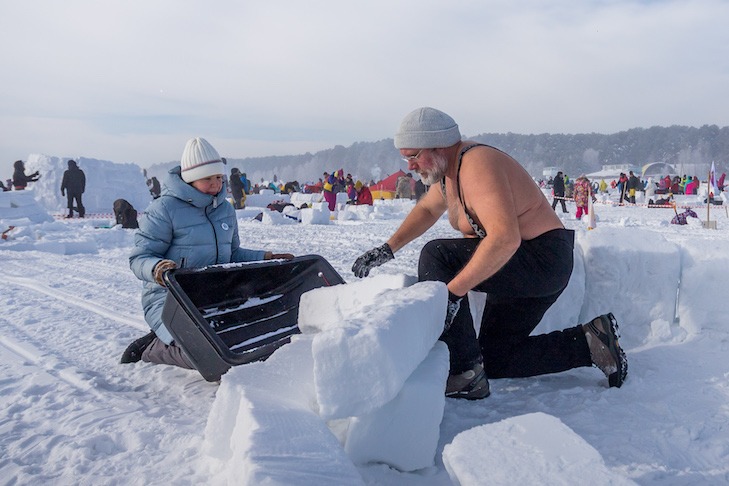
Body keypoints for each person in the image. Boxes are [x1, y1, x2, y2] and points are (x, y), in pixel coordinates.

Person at [351, 107, 627, 400]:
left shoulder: (476, 164)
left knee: (438, 255)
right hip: (523, 263)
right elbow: (427, 209)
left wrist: (452, 295)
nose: (410, 166)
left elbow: (505, 239)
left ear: (438, 144)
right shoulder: (449, 173)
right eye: (405, 158)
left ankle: (465, 373)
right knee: (495, 357)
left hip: (541, 260)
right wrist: (388, 248)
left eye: (414, 156)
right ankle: (591, 342)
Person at [123, 137, 294, 369]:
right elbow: (139, 258)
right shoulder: (164, 209)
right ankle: (154, 348)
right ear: (190, 178)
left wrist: (265, 257)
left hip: (214, 296)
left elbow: (232, 254)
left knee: (241, 340)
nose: (216, 184)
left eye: (218, 177)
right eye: (208, 178)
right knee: (206, 356)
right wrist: (158, 269)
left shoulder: (225, 209)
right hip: (170, 300)